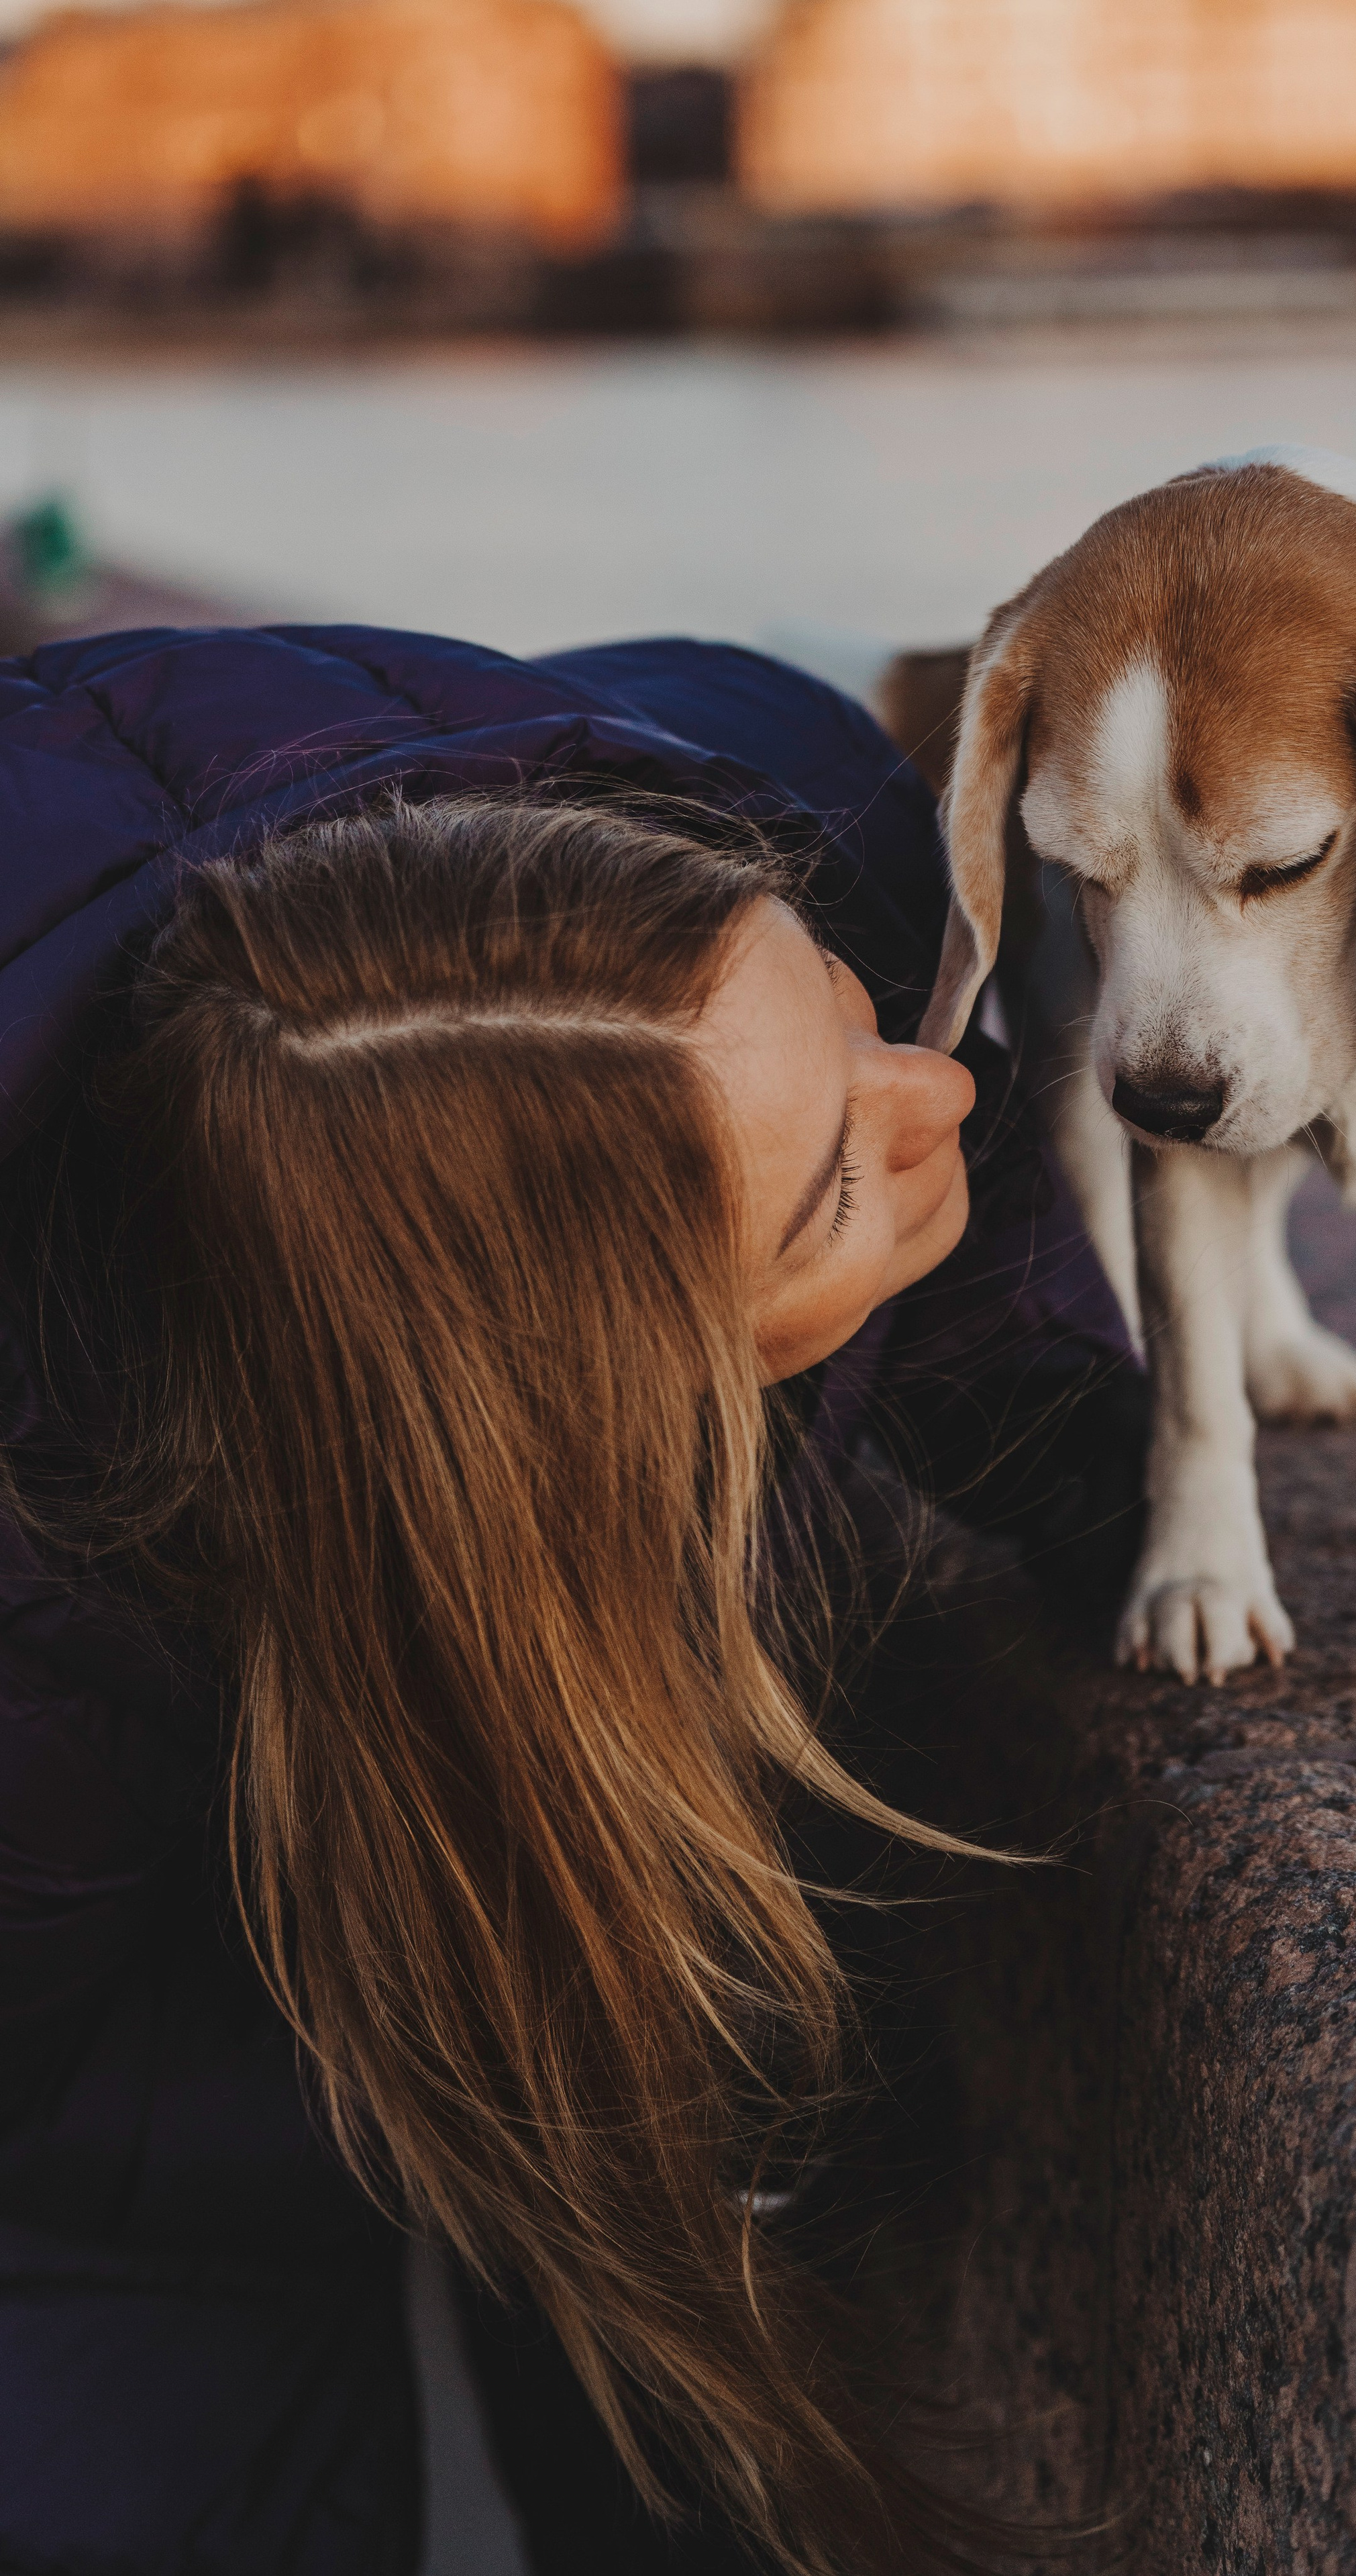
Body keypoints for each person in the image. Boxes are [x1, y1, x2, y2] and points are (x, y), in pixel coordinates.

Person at [0, 625, 1141, 2576]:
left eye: (845, 1001)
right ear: (594, 1407)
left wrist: (1101, 1471)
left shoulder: (783, 824)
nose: (930, 1093)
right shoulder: (50, 1623)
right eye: (835, 1190)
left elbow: (957, 1143)